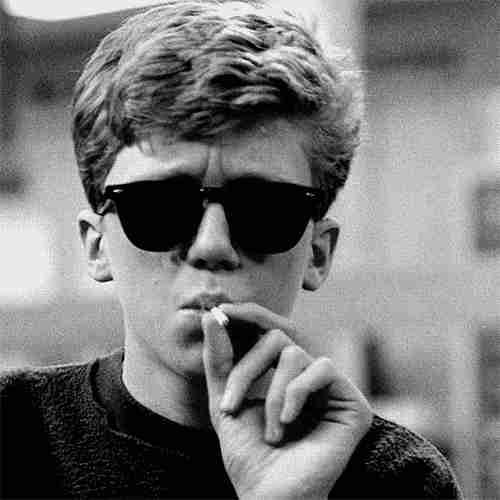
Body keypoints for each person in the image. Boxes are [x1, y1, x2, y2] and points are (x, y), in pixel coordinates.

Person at [0, 1, 463, 498]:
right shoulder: (14, 435)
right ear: (97, 247)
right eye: (159, 208)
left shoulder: (396, 481)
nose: (212, 245)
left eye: (264, 210)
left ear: (317, 253)